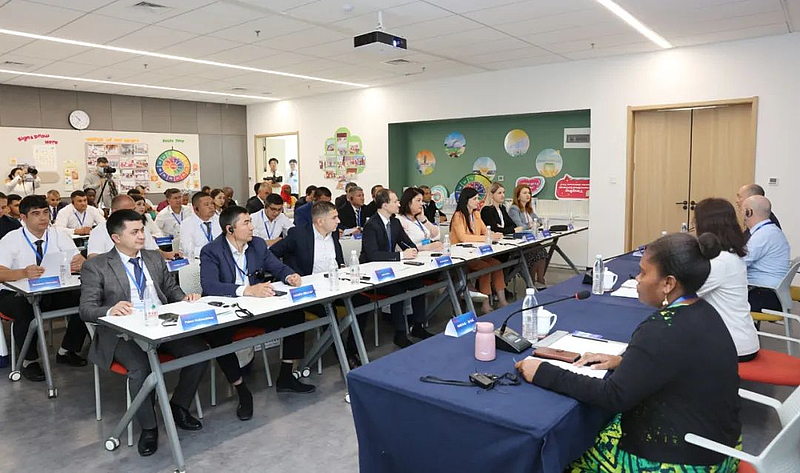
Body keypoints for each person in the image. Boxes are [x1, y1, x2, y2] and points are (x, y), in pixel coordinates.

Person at [516, 233, 741, 472]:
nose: (637, 279)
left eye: (643, 273)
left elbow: (613, 396)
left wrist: (544, 372)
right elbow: (678, 362)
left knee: (564, 452)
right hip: (722, 447)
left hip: (683, 461)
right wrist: (624, 361)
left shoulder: (661, 329)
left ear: (668, 283)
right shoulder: (704, 311)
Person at [79, 209, 208, 457]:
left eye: (142, 230)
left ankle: (179, 406)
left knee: (198, 352)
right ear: (116, 238)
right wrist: (110, 309)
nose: (141, 236)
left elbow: (170, 290)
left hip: (160, 323)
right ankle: (149, 428)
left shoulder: (154, 258)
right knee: (141, 368)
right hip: (122, 332)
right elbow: (86, 309)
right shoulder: (96, 266)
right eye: (135, 232)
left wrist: (184, 299)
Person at [200, 206, 315, 421]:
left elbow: (277, 267)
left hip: (257, 309)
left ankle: (286, 376)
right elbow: (210, 285)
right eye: (246, 223)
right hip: (228, 310)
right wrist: (246, 290)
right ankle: (242, 390)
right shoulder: (211, 251)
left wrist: (290, 276)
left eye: (250, 222)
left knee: (295, 316)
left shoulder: (257, 245)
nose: (252, 227)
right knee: (217, 337)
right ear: (230, 229)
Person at [0, 195, 88, 381]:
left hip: (52, 289)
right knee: (25, 311)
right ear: (23, 218)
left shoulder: (58, 235)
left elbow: (77, 258)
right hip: (14, 293)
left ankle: (67, 350)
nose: (43, 218)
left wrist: (79, 263)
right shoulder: (11, 239)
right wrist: (23, 273)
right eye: (36, 214)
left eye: (45, 212)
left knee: (86, 300)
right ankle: (29, 361)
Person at [271, 201, 369, 368]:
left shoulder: (333, 234)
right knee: (328, 312)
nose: (339, 221)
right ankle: (344, 357)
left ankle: (353, 349)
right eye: (334, 217)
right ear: (320, 221)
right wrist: (288, 274)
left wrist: (343, 268)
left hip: (335, 286)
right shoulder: (298, 234)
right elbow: (272, 254)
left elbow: (337, 259)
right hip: (311, 291)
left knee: (362, 302)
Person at [360, 188, 433, 348]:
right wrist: (401, 255)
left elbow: (407, 243)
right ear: (385, 205)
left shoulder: (394, 222)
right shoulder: (371, 225)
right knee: (398, 291)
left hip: (392, 269)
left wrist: (413, 250)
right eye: (395, 201)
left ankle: (418, 326)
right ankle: (400, 334)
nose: (399, 204)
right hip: (373, 273)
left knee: (418, 285)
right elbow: (373, 255)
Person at [694, 198, 759, 362]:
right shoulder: (731, 255)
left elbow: (684, 293)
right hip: (739, 338)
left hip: (732, 346)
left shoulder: (720, 262)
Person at [449, 187, 508, 313]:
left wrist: (494, 235)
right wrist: (486, 238)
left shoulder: (476, 214)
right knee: (485, 267)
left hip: (475, 253)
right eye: (475, 199)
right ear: (467, 200)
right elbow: (463, 238)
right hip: (462, 256)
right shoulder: (458, 216)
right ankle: (485, 304)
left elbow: (485, 231)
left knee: (496, 264)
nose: (478, 201)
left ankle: (502, 300)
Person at [741, 195, 791, 312]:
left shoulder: (763, 235)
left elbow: (740, 262)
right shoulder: (770, 231)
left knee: (719, 299)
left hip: (765, 295)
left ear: (748, 212)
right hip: (771, 293)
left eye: (742, 210)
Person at [88, 195, 159, 258]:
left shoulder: (140, 227)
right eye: (128, 211)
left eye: (133, 210)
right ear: (115, 211)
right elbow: (93, 258)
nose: (132, 213)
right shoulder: (99, 231)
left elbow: (155, 251)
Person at [508, 184, 548, 286]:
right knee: (535, 253)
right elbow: (519, 226)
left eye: (529, 193)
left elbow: (539, 221)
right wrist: (531, 225)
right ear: (518, 196)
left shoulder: (528, 209)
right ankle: (531, 283)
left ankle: (540, 280)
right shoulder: (514, 209)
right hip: (520, 242)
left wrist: (534, 224)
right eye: (525, 193)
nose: (528, 195)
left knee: (542, 251)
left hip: (530, 240)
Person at [397, 187, 443, 251]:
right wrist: (427, 247)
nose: (421, 204)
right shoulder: (399, 220)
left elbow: (436, 234)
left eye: (422, 201)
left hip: (427, 253)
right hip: (413, 255)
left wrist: (424, 220)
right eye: (418, 200)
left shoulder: (419, 218)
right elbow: (402, 248)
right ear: (408, 202)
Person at [180, 192, 221, 259]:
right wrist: (211, 252)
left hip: (219, 258)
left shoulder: (219, 220)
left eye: (212, 203)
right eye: (206, 204)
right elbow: (188, 249)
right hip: (197, 259)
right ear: (196, 209)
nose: (211, 207)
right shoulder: (186, 224)